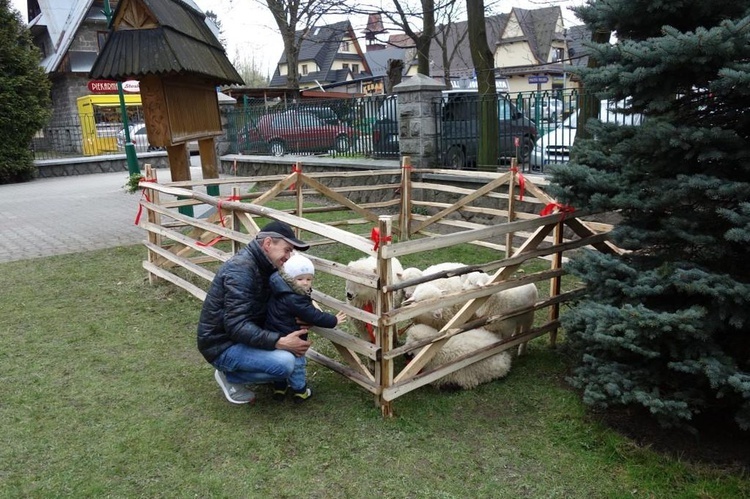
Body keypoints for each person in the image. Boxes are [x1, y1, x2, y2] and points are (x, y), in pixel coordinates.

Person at [196, 220, 312, 405]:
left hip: (241, 337)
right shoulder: (241, 271)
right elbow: (235, 325)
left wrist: (300, 316)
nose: (289, 256)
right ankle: (231, 376)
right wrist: (279, 342)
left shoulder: (268, 266)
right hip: (222, 345)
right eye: (287, 249)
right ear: (267, 244)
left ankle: (250, 366)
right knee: (285, 364)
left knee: (285, 359)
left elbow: (278, 302)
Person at [266, 253, 346, 402]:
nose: (305, 283)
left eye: (309, 279)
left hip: (275, 335)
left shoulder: (279, 288)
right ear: (290, 279)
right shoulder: (295, 298)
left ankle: (279, 388)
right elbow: (314, 316)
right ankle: (300, 391)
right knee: (297, 365)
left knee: (278, 362)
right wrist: (333, 320)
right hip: (293, 338)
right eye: (300, 279)